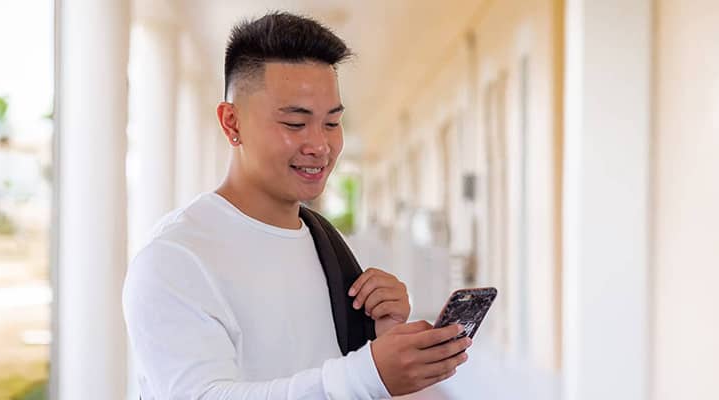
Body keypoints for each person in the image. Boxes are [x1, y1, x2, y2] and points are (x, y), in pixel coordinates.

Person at [122, 12, 472, 399]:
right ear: (232, 123)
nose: (319, 146)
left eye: (331, 123)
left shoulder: (327, 244)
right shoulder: (176, 257)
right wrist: (367, 374)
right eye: (295, 123)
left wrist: (381, 337)